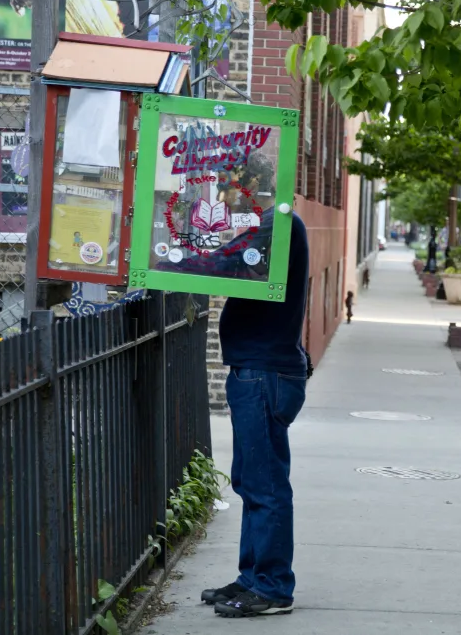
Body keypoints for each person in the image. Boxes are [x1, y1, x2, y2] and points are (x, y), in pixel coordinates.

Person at [200, 210, 311, 618]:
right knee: (251, 481)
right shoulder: (268, 223)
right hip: (258, 367)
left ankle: (272, 586)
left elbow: (222, 264)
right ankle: (252, 577)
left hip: (264, 371)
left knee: (265, 485)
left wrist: (168, 258)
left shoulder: (277, 223)